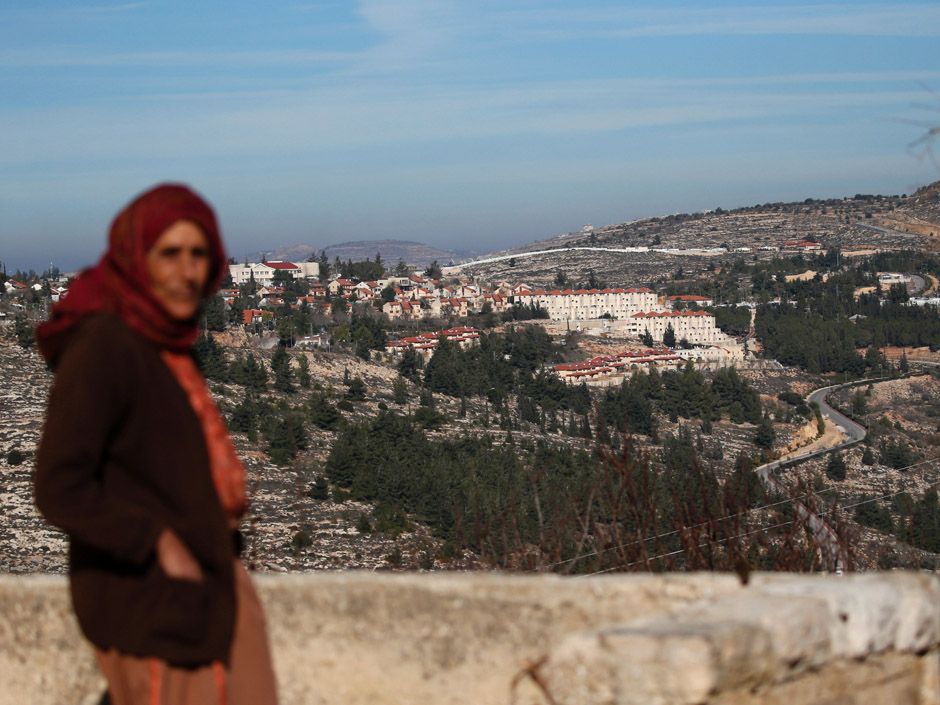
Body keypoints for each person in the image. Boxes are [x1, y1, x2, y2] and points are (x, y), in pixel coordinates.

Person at [34, 184, 278, 705]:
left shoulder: (163, 343)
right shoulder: (105, 346)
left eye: (199, 254)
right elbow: (59, 485)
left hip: (210, 590)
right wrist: (158, 545)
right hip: (154, 601)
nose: (188, 271)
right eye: (170, 254)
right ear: (136, 260)